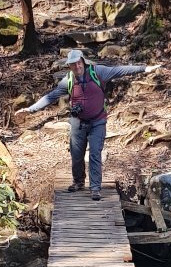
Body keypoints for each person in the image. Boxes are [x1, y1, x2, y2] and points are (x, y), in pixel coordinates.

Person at [14, 49, 161, 200]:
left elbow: (119, 70)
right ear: (69, 66)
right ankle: (78, 182)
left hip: (98, 121)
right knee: (76, 155)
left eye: (79, 63)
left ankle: (95, 188)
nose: (77, 66)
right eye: (73, 64)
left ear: (83, 61)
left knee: (95, 154)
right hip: (78, 122)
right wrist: (30, 109)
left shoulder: (98, 72)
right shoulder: (68, 80)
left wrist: (144, 68)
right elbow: (51, 96)